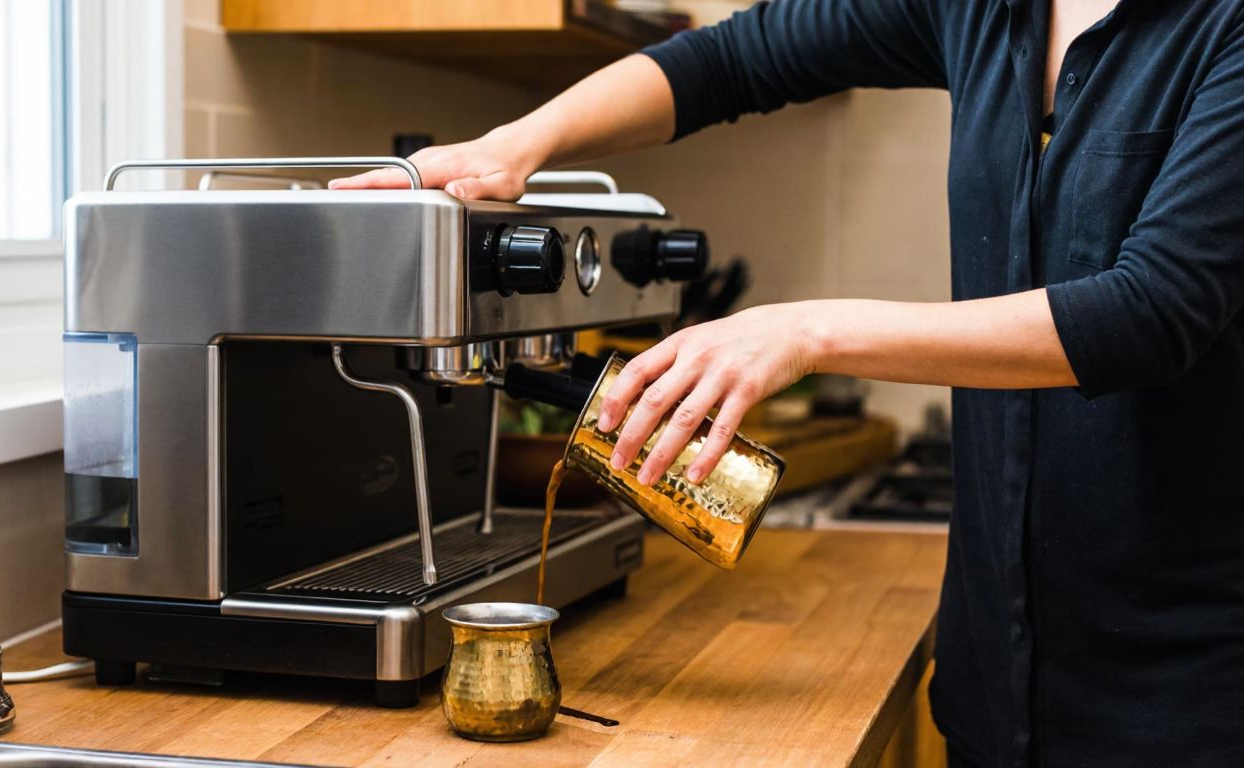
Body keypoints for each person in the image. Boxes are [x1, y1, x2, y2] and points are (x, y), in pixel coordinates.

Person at [333, 1, 1244, 764]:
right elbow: (734, 60)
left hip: (1187, 701)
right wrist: (518, 143)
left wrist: (806, 330)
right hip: (990, 696)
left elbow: (1150, 311)